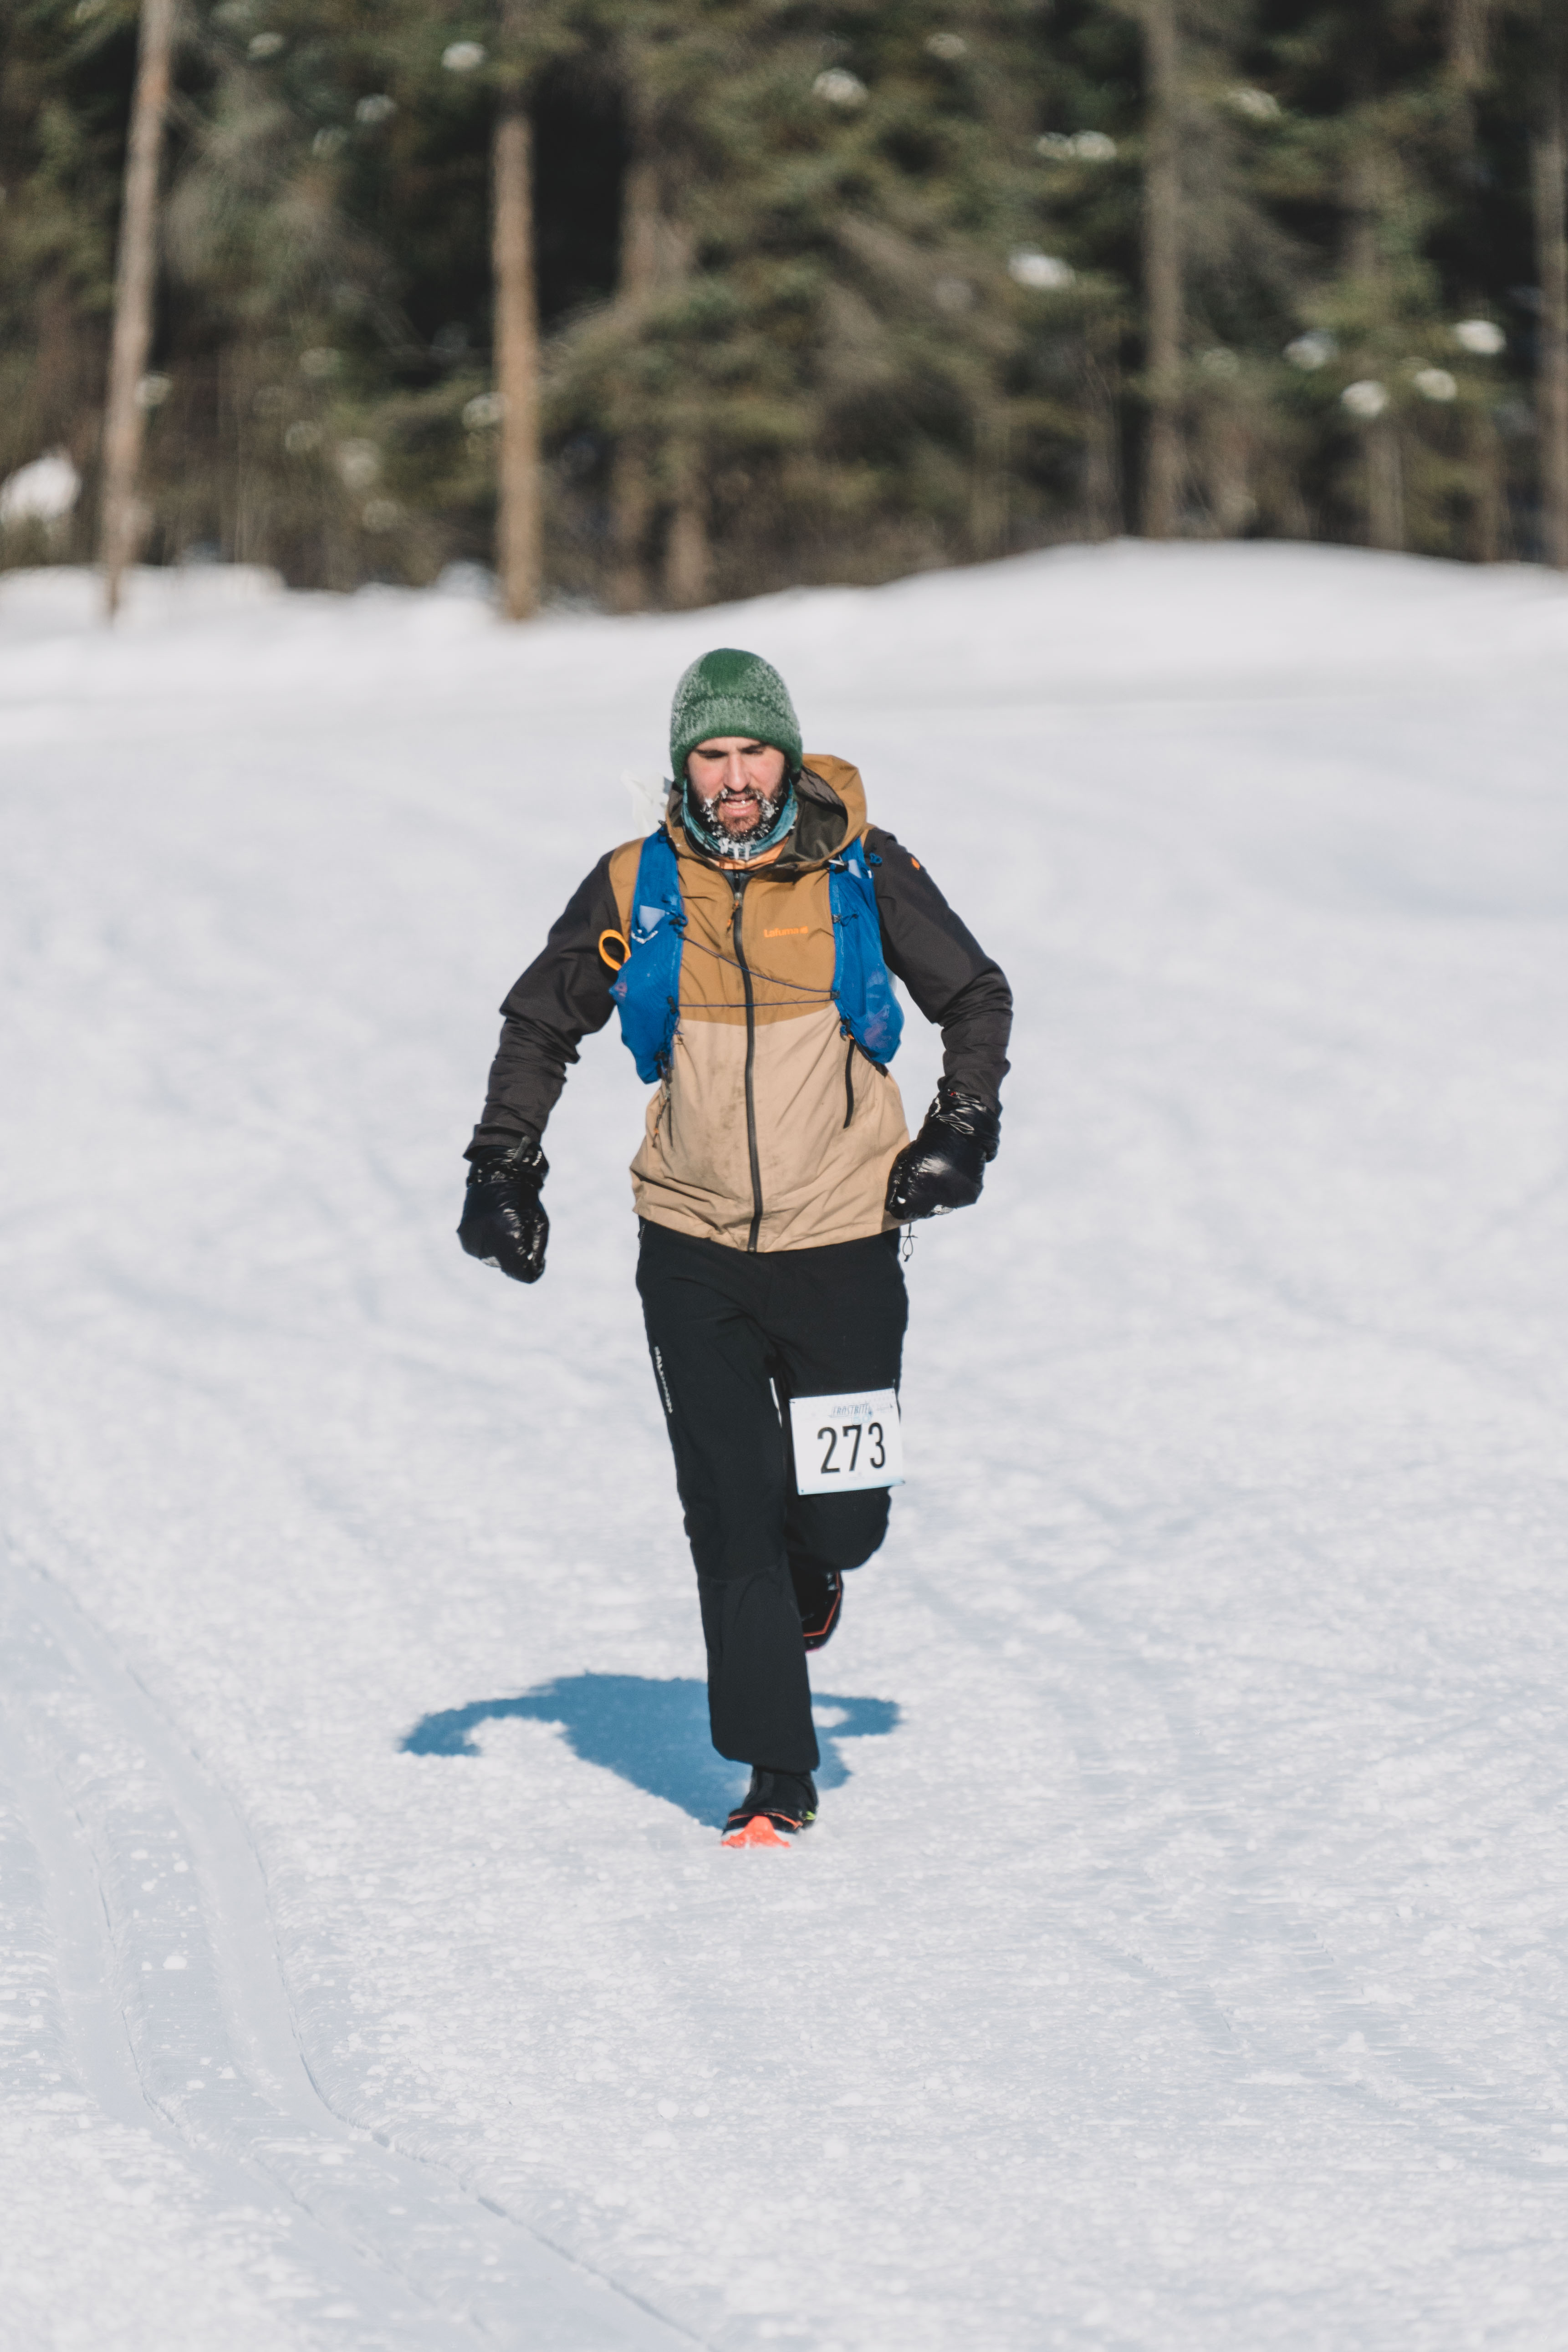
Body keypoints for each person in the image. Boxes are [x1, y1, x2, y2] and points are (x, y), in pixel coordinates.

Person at [459, 648, 1011, 1844]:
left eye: (753, 749)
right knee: (728, 1502)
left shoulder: (863, 869)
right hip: (690, 1242)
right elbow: (539, 1021)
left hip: (842, 1235)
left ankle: (820, 1567)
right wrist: (501, 1163)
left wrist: (961, 1128)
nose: (734, 776)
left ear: (787, 756)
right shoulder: (636, 883)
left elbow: (975, 995)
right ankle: (775, 1774)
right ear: (684, 768)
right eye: (710, 755)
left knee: (845, 1516)